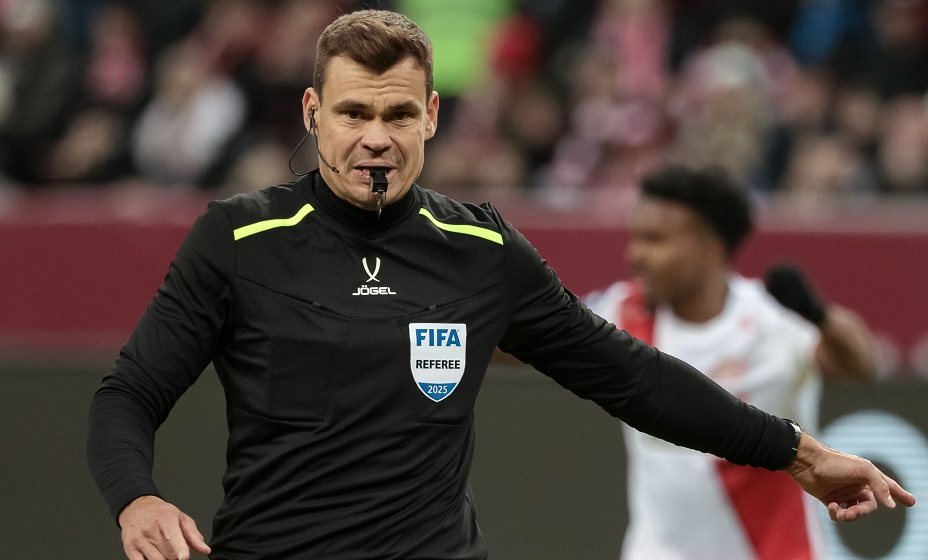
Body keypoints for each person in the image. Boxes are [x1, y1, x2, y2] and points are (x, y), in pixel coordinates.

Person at [87, 10, 915, 560]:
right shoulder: (238, 239)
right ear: (312, 112)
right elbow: (130, 391)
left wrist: (801, 454)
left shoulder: (480, 248)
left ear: (431, 115)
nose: (376, 138)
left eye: (398, 115)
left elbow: (630, 376)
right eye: (353, 114)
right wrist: (136, 499)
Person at [585, 165, 879, 560]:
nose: (635, 255)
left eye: (655, 240)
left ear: (710, 248)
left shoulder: (772, 319)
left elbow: (859, 366)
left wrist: (820, 316)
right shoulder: (622, 312)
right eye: (636, 237)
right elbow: (526, 343)